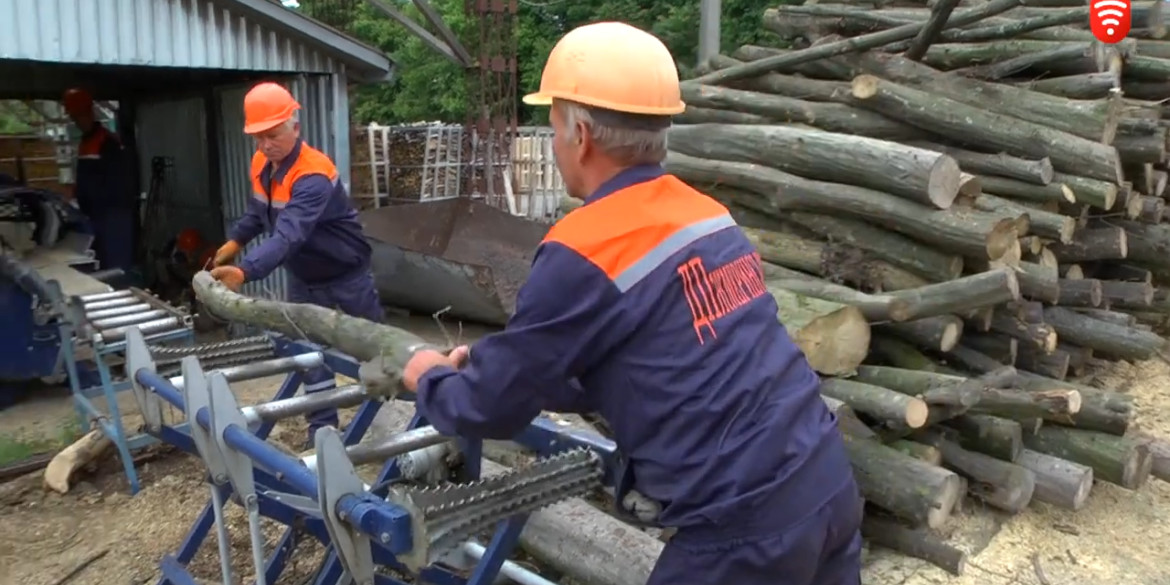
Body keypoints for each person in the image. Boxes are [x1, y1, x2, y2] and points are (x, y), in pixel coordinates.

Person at [399, 22, 862, 585]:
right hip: (827, 483)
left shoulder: (584, 245)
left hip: (746, 530)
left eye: (553, 125)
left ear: (581, 135)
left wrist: (430, 378)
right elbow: (662, 358)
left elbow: (492, 409)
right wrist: (513, 365)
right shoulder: (706, 214)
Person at [209, 82, 383, 446]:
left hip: (346, 272)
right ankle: (322, 426)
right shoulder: (262, 163)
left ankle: (386, 410)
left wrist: (244, 271)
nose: (265, 145)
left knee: (373, 345)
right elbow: (259, 213)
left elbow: (288, 236)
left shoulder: (313, 174)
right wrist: (235, 241)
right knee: (308, 354)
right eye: (258, 138)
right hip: (304, 277)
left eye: (273, 135)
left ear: (295, 127)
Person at [62, 88, 136, 273]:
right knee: (100, 266)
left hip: (113, 217)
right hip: (95, 217)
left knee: (116, 267)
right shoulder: (86, 142)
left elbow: (119, 183)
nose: (77, 121)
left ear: (90, 112)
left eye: (79, 115)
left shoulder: (107, 142)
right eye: (74, 117)